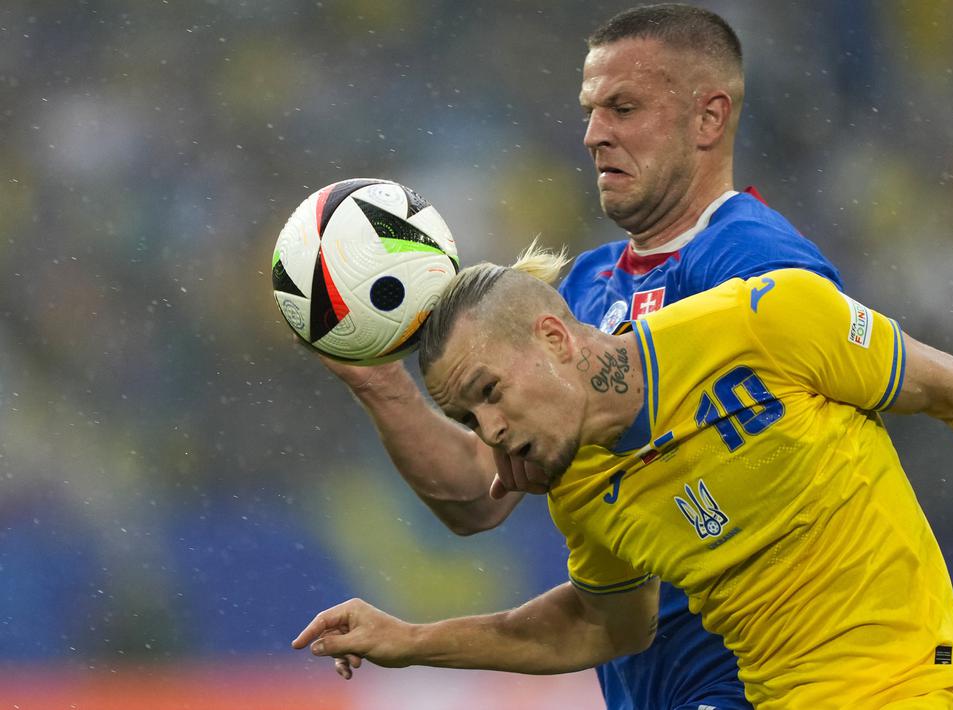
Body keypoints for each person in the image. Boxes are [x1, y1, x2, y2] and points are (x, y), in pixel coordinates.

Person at [294, 262, 953, 708]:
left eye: (488, 393)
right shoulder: (581, 490)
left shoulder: (762, 319)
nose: (488, 431)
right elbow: (604, 625)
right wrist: (410, 639)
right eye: (468, 416)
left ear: (556, 339)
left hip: (913, 688)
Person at [317, 5, 842, 708]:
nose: (594, 134)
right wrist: (378, 380)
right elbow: (478, 496)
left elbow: (808, 466)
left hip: (759, 673)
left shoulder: (753, 263)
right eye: (591, 112)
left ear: (708, 119)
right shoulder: (586, 288)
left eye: (623, 109)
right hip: (649, 680)